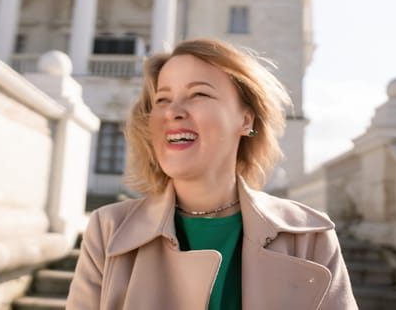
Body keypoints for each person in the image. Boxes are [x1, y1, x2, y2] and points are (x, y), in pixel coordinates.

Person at [66, 39, 358, 309]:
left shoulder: (309, 237)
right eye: (162, 100)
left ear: (245, 119)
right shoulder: (107, 231)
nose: (173, 112)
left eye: (198, 94)